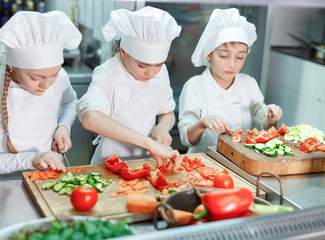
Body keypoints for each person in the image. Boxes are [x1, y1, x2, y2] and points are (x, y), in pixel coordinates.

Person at [0, 11, 82, 181]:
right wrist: (32, 159)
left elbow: (72, 101)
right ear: (12, 65)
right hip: (7, 190)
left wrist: (63, 126)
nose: (47, 84)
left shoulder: (61, 79)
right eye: (35, 77)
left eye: (55, 74)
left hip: (52, 179)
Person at [76, 6, 181, 168]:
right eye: (142, 65)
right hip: (109, 164)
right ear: (123, 52)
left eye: (158, 64)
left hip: (147, 163)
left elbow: (167, 113)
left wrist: (162, 128)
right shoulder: (108, 72)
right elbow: (90, 118)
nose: (151, 72)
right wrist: (148, 143)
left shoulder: (161, 72)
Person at [178, 8, 283, 154]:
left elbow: (263, 125)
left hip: (240, 161)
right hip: (203, 163)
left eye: (240, 57)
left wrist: (271, 119)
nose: (232, 64)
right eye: (223, 56)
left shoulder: (249, 84)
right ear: (209, 55)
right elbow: (186, 138)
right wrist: (202, 123)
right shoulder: (195, 86)